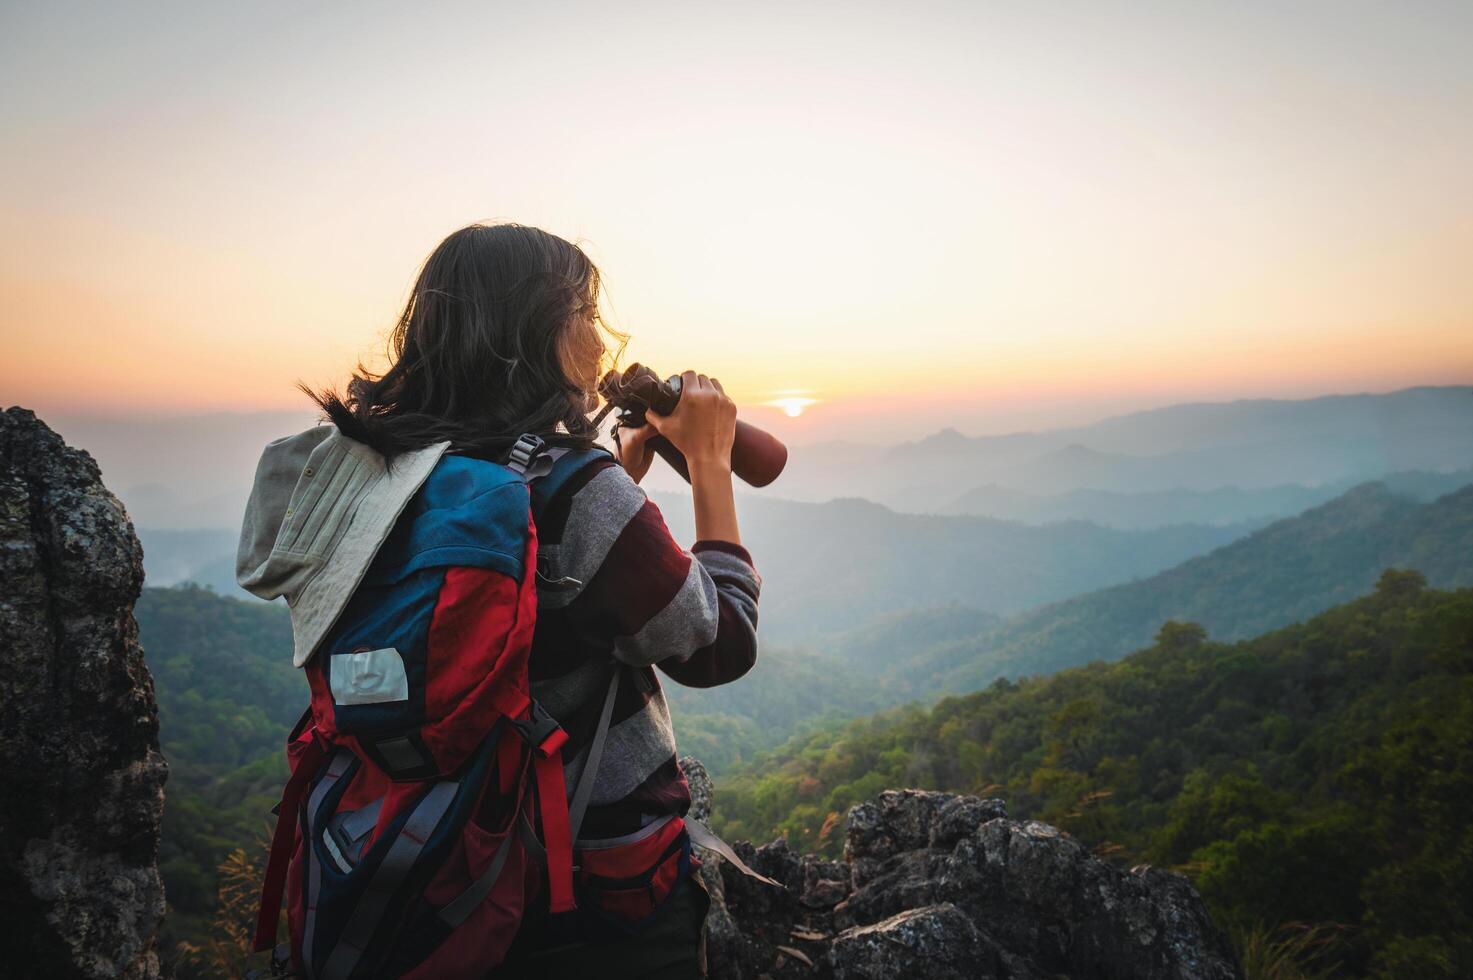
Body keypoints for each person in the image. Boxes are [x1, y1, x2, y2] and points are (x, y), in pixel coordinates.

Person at [301, 222, 761, 978]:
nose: (599, 337)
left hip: (422, 847)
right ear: (545, 328)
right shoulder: (573, 483)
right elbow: (718, 646)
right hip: (585, 887)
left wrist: (615, 485)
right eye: (585, 311)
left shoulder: (380, 466)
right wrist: (710, 467)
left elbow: (523, 593)